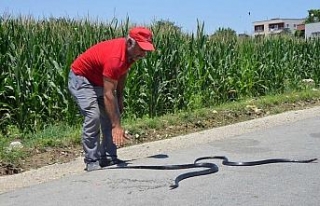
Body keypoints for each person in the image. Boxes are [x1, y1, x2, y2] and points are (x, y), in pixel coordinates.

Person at [68, 26, 155, 171]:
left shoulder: (131, 54)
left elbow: (122, 73)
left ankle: (108, 157)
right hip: (82, 79)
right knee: (93, 116)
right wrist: (117, 126)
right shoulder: (115, 57)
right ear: (129, 43)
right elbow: (109, 93)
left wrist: (120, 97)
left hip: (100, 80)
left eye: (146, 49)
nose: (144, 53)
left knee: (111, 113)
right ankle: (92, 160)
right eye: (141, 48)